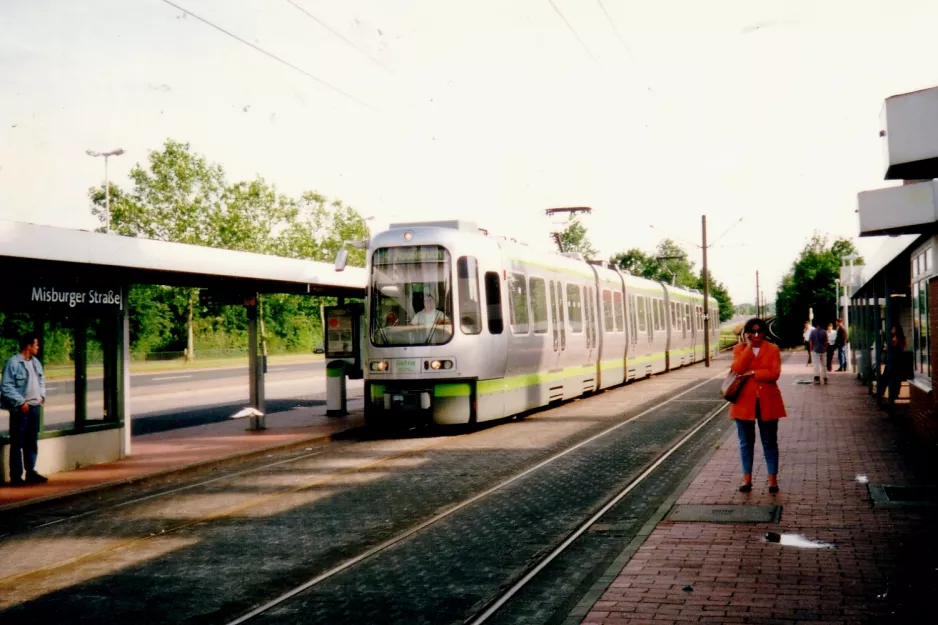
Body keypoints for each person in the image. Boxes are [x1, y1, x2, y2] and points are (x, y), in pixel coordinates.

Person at [729, 318, 787, 493]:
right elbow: (738, 369)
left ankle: (772, 481)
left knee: (769, 442)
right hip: (744, 403)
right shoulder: (739, 349)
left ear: (764, 332)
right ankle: (747, 480)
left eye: (759, 331)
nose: (756, 335)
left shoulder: (772, 349)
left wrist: (754, 372)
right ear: (746, 333)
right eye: (752, 332)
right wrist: (747, 348)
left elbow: (774, 374)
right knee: (746, 443)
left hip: (767, 401)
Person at [1, 334, 48, 486]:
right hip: (21, 410)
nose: (38, 347)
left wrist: (42, 395)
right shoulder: (13, 363)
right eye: (36, 344)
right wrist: (21, 402)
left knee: (31, 442)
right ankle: (16, 476)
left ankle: (31, 472)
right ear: (28, 346)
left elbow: (41, 380)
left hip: (34, 407)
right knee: (18, 442)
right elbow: (6, 386)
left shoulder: (36, 363)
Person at [809, 320, 829, 384]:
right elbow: (826, 341)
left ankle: (817, 378)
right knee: (824, 365)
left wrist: (811, 349)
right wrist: (825, 348)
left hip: (815, 350)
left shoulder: (812, 332)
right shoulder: (824, 332)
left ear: (816, 325)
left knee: (816, 364)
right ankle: (825, 377)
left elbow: (811, 341)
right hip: (823, 350)